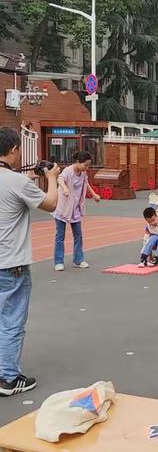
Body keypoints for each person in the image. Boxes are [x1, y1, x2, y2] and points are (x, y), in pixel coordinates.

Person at [0, 126, 60, 396]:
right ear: (13, 150)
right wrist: (53, 178)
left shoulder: (16, 179)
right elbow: (51, 204)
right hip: (11, 262)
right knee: (12, 320)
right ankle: (9, 378)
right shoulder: (16, 182)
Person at [53, 151, 100, 272]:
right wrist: (64, 188)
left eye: (88, 165)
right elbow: (60, 179)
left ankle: (78, 260)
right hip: (63, 207)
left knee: (78, 235)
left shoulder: (83, 173)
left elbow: (86, 183)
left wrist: (94, 194)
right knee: (60, 236)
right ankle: (59, 261)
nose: (87, 168)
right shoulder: (68, 171)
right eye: (85, 165)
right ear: (78, 162)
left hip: (76, 208)